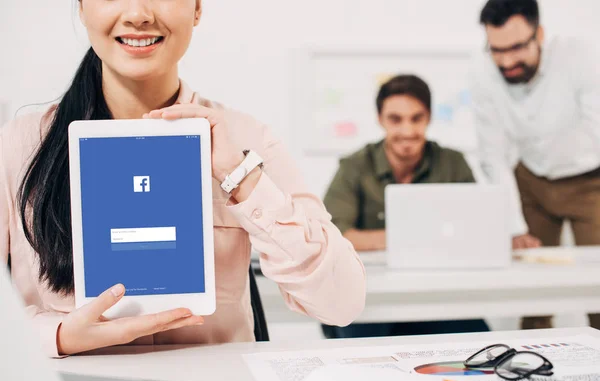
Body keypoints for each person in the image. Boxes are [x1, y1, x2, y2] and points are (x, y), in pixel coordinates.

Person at [0, 0, 366, 357]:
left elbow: (342, 303)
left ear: (197, 8)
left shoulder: (247, 139)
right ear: (81, 7)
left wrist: (241, 179)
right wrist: (58, 336)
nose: (138, 15)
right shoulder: (19, 146)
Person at [321, 75, 489, 338]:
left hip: (437, 297)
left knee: (482, 343)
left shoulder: (453, 163)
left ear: (429, 117)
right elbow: (334, 234)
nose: (408, 131)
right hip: (369, 299)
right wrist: (422, 238)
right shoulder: (354, 166)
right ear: (380, 119)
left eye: (416, 118)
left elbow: (477, 228)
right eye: (395, 119)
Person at [473, 0, 600, 330]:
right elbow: (493, 155)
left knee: (597, 288)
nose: (507, 60)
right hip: (531, 179)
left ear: (539, 34)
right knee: (532, 292)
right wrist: (514, 226)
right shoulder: (484, 74)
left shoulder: (579, 57)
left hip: (590, 181)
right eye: (497, 49)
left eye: (516, 47)